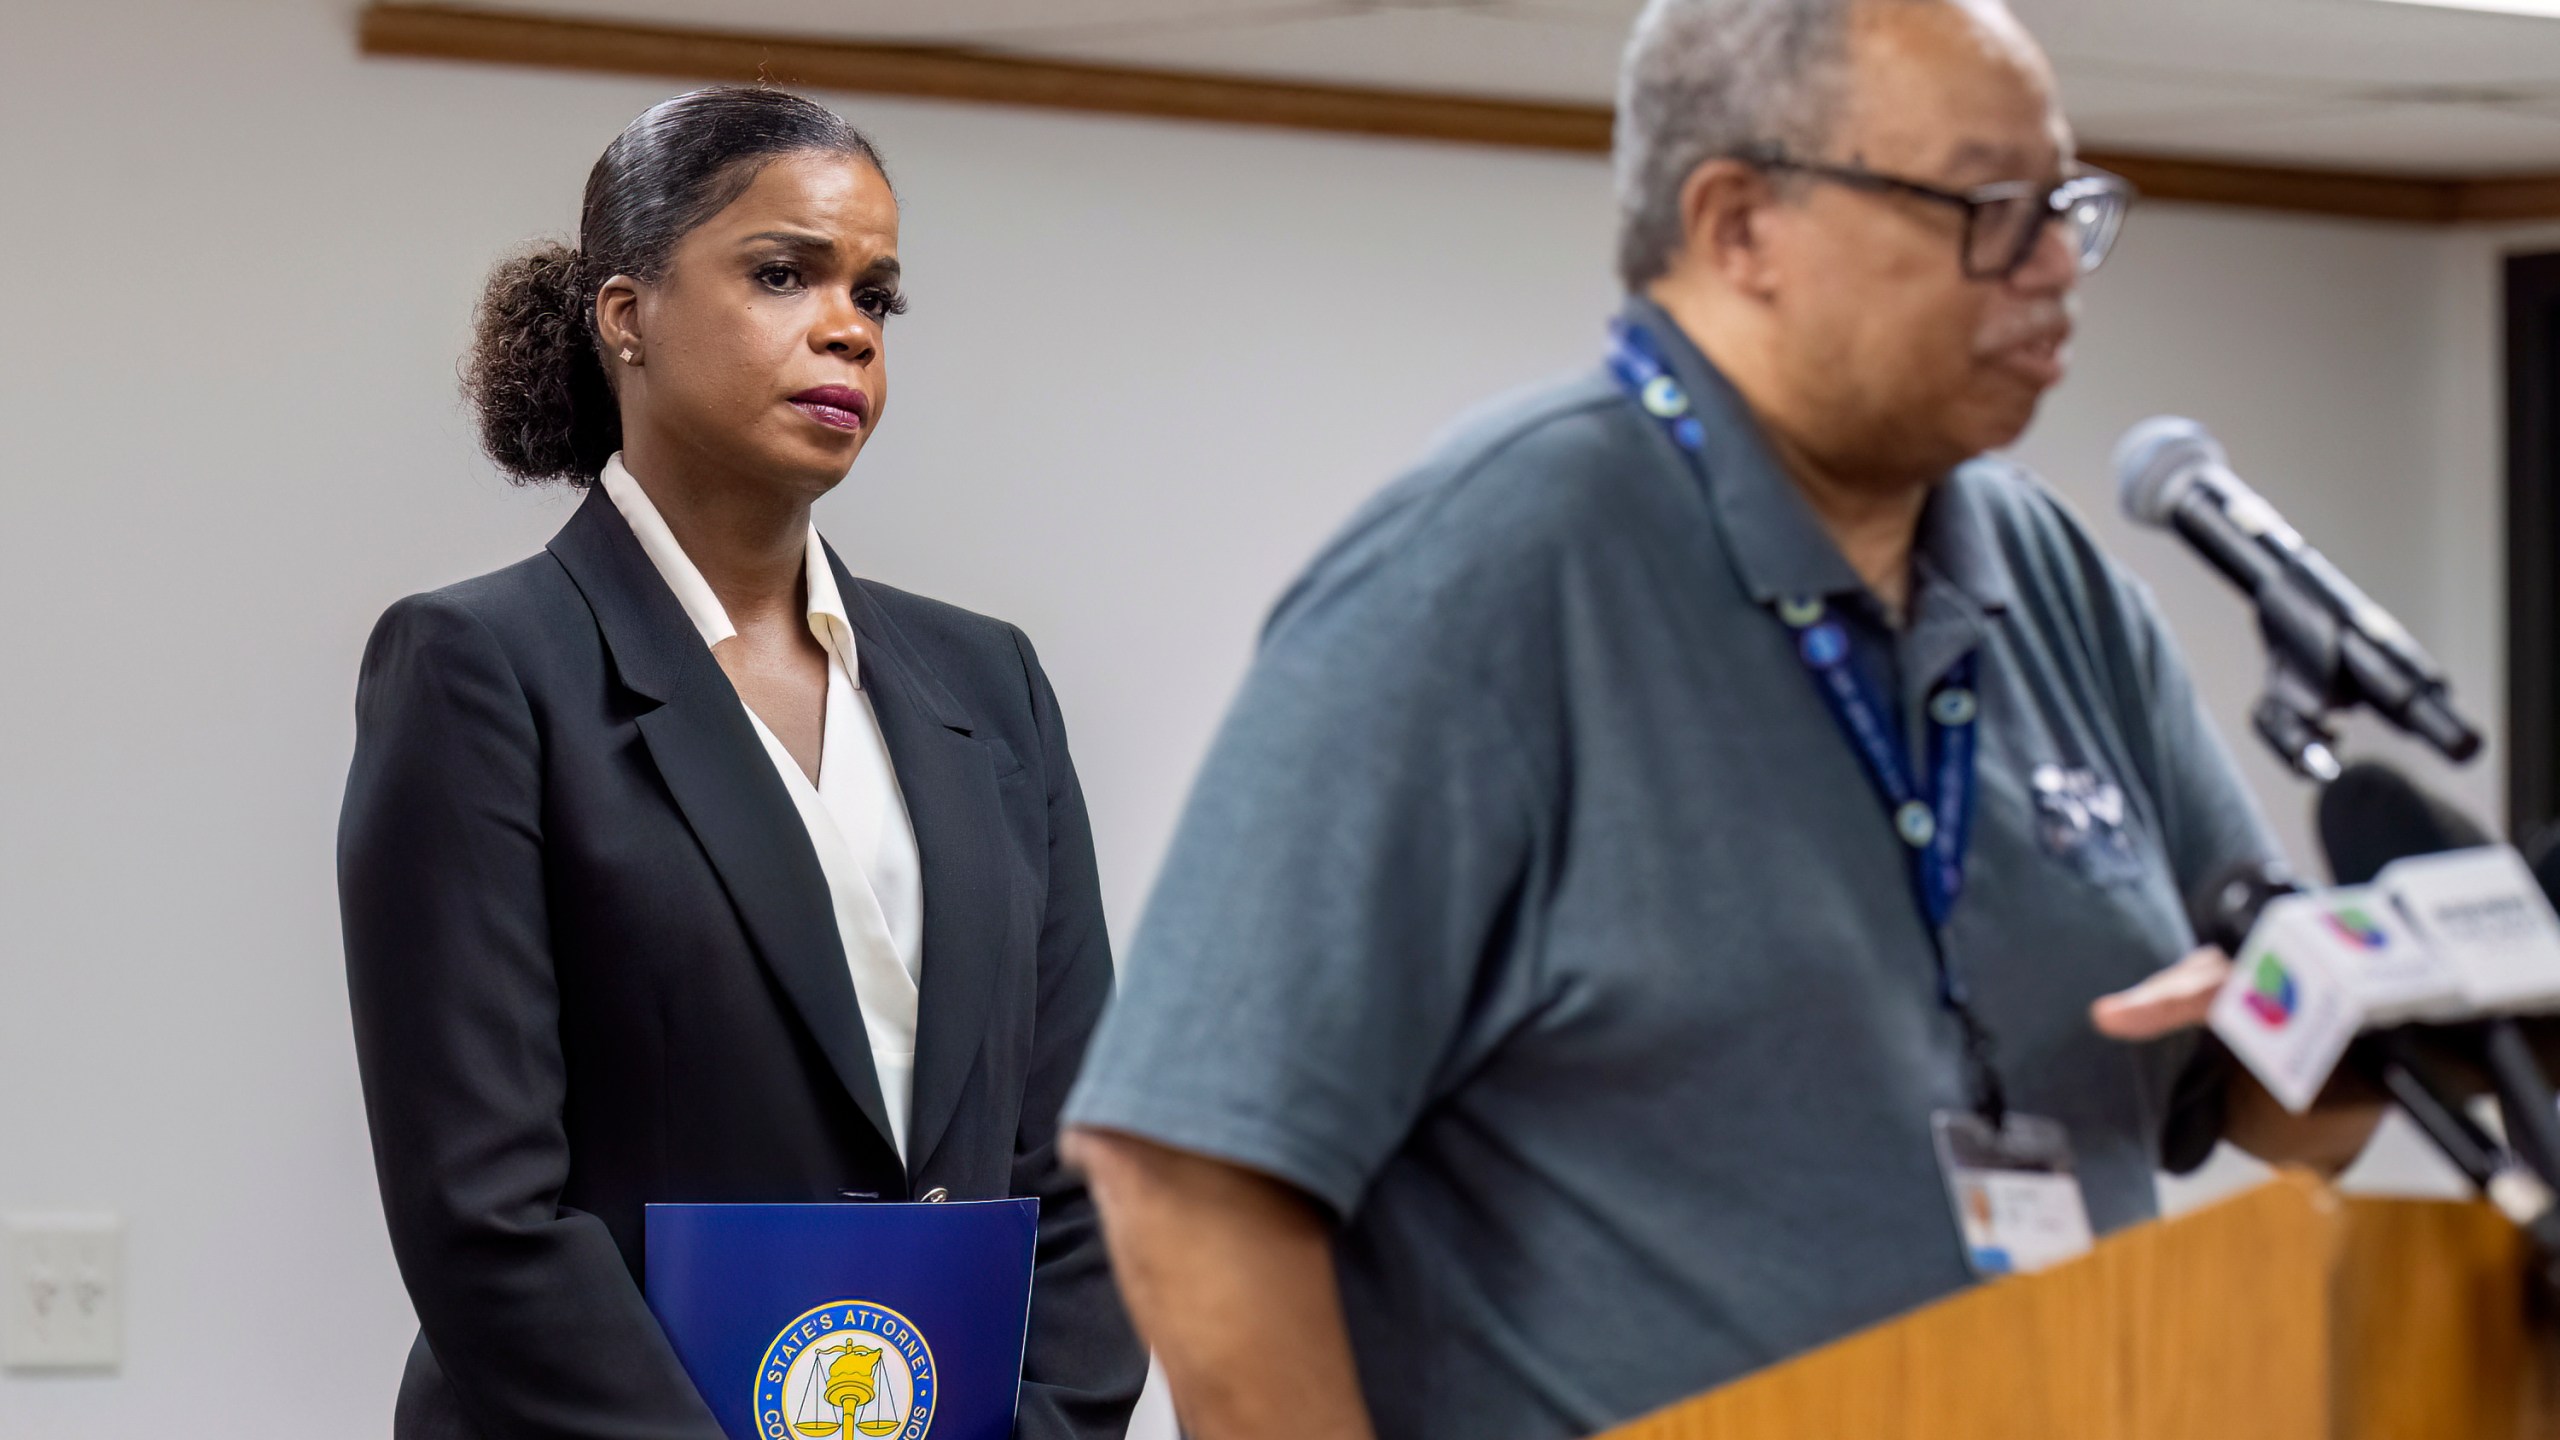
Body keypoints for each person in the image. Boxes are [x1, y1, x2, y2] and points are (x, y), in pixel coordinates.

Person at [1060, 2, 2385, 1437]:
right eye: (1992, 209)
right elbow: (1189, 1169)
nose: (2057, 264)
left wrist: (2397, 1011)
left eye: (2065, 205)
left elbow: (2288, 1115)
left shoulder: (2055, 585)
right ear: (1740, 224)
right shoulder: (1492, 564)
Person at [339, 87, 1143, 1440]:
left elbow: (1079, 1165)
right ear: (625, 316)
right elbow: (484, 1212)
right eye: (784, 274)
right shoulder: (480, 669)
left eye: (876, 297)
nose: (846, 326)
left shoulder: (991, 684)